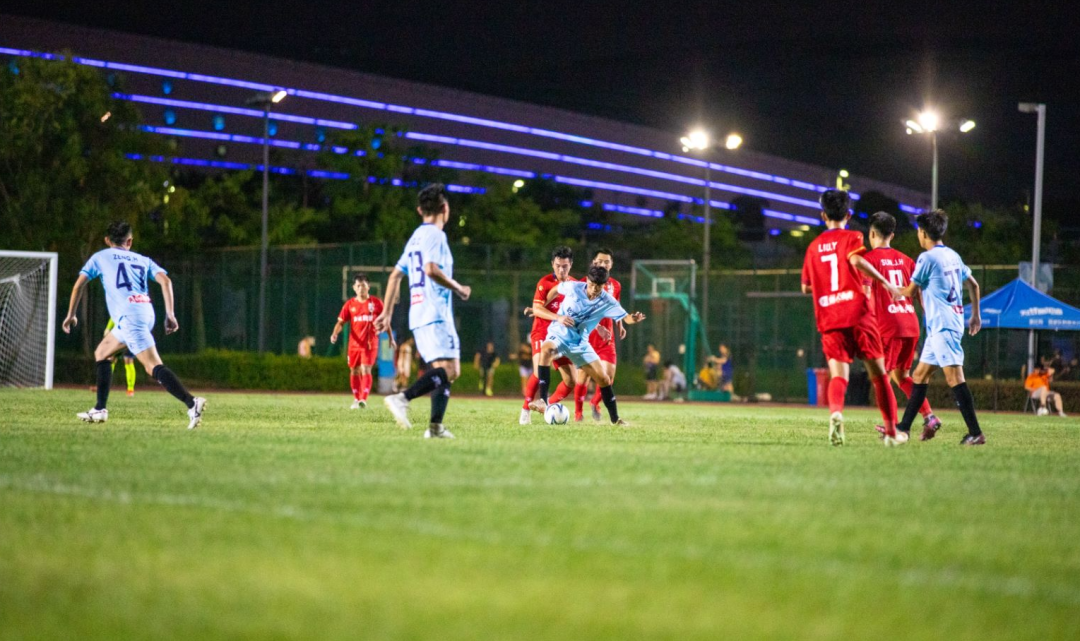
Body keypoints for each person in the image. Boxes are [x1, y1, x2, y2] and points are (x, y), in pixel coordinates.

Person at [62, 221, 206, 428]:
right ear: (129, 241)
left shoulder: (100, 257)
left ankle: (192, 403)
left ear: (106, 240)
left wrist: (70, 315)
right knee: (102, 352)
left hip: (130, 318)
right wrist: (170, 314)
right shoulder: (142, 259)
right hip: (144, 312)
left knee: (152, 366)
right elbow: (166, 281)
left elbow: (79, 286)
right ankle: (99, 409)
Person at [801, 189, 903, 446]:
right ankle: (891, 434)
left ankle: (836, 412)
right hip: (857, 313)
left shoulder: (813, 247)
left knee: (838, 376)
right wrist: (885, 283)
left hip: (830, 317)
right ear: (848, 214)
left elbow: (805, 287)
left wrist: (826, 287)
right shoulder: (853, 236)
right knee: (879, 376)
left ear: (822, 215)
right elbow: (856, 259)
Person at [376, 184, 471, 439]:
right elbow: (430, 269)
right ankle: (402, 399)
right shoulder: (435, 235)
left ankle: (436, 427)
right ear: (445, 208)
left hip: (418, 314)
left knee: (441, 370)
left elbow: (395, 275)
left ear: (420, 210)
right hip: (435, 311)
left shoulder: (416, 236)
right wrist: (458, 288)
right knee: (451, 371)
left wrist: (386, 313)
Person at [894, 209, 986, 445]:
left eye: (918, 231)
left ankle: (975, 433)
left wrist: (891, 289)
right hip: (942, 327)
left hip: (944, 326)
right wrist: (975, 315)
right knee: (919, 375)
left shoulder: (927, 258)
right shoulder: (953, 256)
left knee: (955, 378)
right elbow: (973, 285)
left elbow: (911, 291)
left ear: (923, 233)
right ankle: (903, 428)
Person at [527, 265, 645, 425]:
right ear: (587, 280)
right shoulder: (573, 287)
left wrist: (634, 318)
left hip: (580, 344)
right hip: (559, 334)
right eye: (591, 284)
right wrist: (544, 307)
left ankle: (615, 419)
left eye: (599, 286)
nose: (594, 289)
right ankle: (542, 399)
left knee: (604, 378)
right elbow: (555, 289)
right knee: (546, 350)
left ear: (604, 285)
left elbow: (625, 317)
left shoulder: (607, 301)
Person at [863, 212, 941, 437]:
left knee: (882, 376)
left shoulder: (869, 261)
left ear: (872, 233)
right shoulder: (907, 260)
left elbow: (867, 295)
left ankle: (892, 427)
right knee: (901, 376)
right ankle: (929, 416)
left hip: (888, 326)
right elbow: (921, 295)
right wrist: (930, 320)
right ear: (892, 235)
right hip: (910, 325)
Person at [519, 247, 578, 425]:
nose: (561, 270)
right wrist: (557, 317)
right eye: (558, 266)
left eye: (565, 266)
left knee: (571, 380)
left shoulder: (575, 285)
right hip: (542, 332)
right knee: (539, 371)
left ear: (571, 265)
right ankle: (525, 409)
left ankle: (548, 405)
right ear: (552, 264)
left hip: (562, 336)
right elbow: (538, 309)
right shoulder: (545, 282)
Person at [573, 248, 624, 422]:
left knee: (608, 376)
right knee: (583, 376)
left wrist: (620, 324)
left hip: (606, 338)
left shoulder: (616, 285)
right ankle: (578, 413)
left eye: (606, 262)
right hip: (587, 335)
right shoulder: (584, 283)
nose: (603, 264)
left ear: (611, 264)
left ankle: (595, 402)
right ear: (594, 263)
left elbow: (615, 307)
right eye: (600, 261)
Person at [331, 273, 384, 409]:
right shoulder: (350, 305)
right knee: (354, 371)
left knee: (366, 369)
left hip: (369, 344)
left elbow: (385, 319)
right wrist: (335, 333)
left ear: (369, 287)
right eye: (358, 286)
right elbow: (340, 323)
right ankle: (356, 398)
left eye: (363, 285)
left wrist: (382, 328)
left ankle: (363, 399)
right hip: (354, 345)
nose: (361, 288)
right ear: (354, 288)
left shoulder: (376, 303)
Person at [104, 318, 137, 397]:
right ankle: (105, 386)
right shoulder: (118, 307)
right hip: (118, 335)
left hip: (130, 335)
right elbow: (114, 315)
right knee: (111, 358)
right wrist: (108, 328)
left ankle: (130, 389)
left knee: (128, 360)